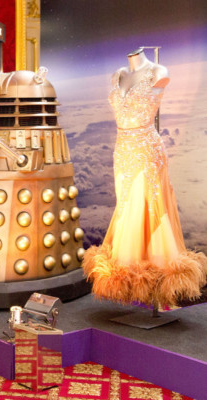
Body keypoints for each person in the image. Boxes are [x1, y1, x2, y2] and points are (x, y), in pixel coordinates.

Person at [83, 49, 207, 307]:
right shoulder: (117, 75)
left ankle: (161, 283)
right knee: (128, 210)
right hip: (123, 151)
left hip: (147, 151)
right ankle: (132, 282)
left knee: (150, 209)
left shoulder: (159, 72)